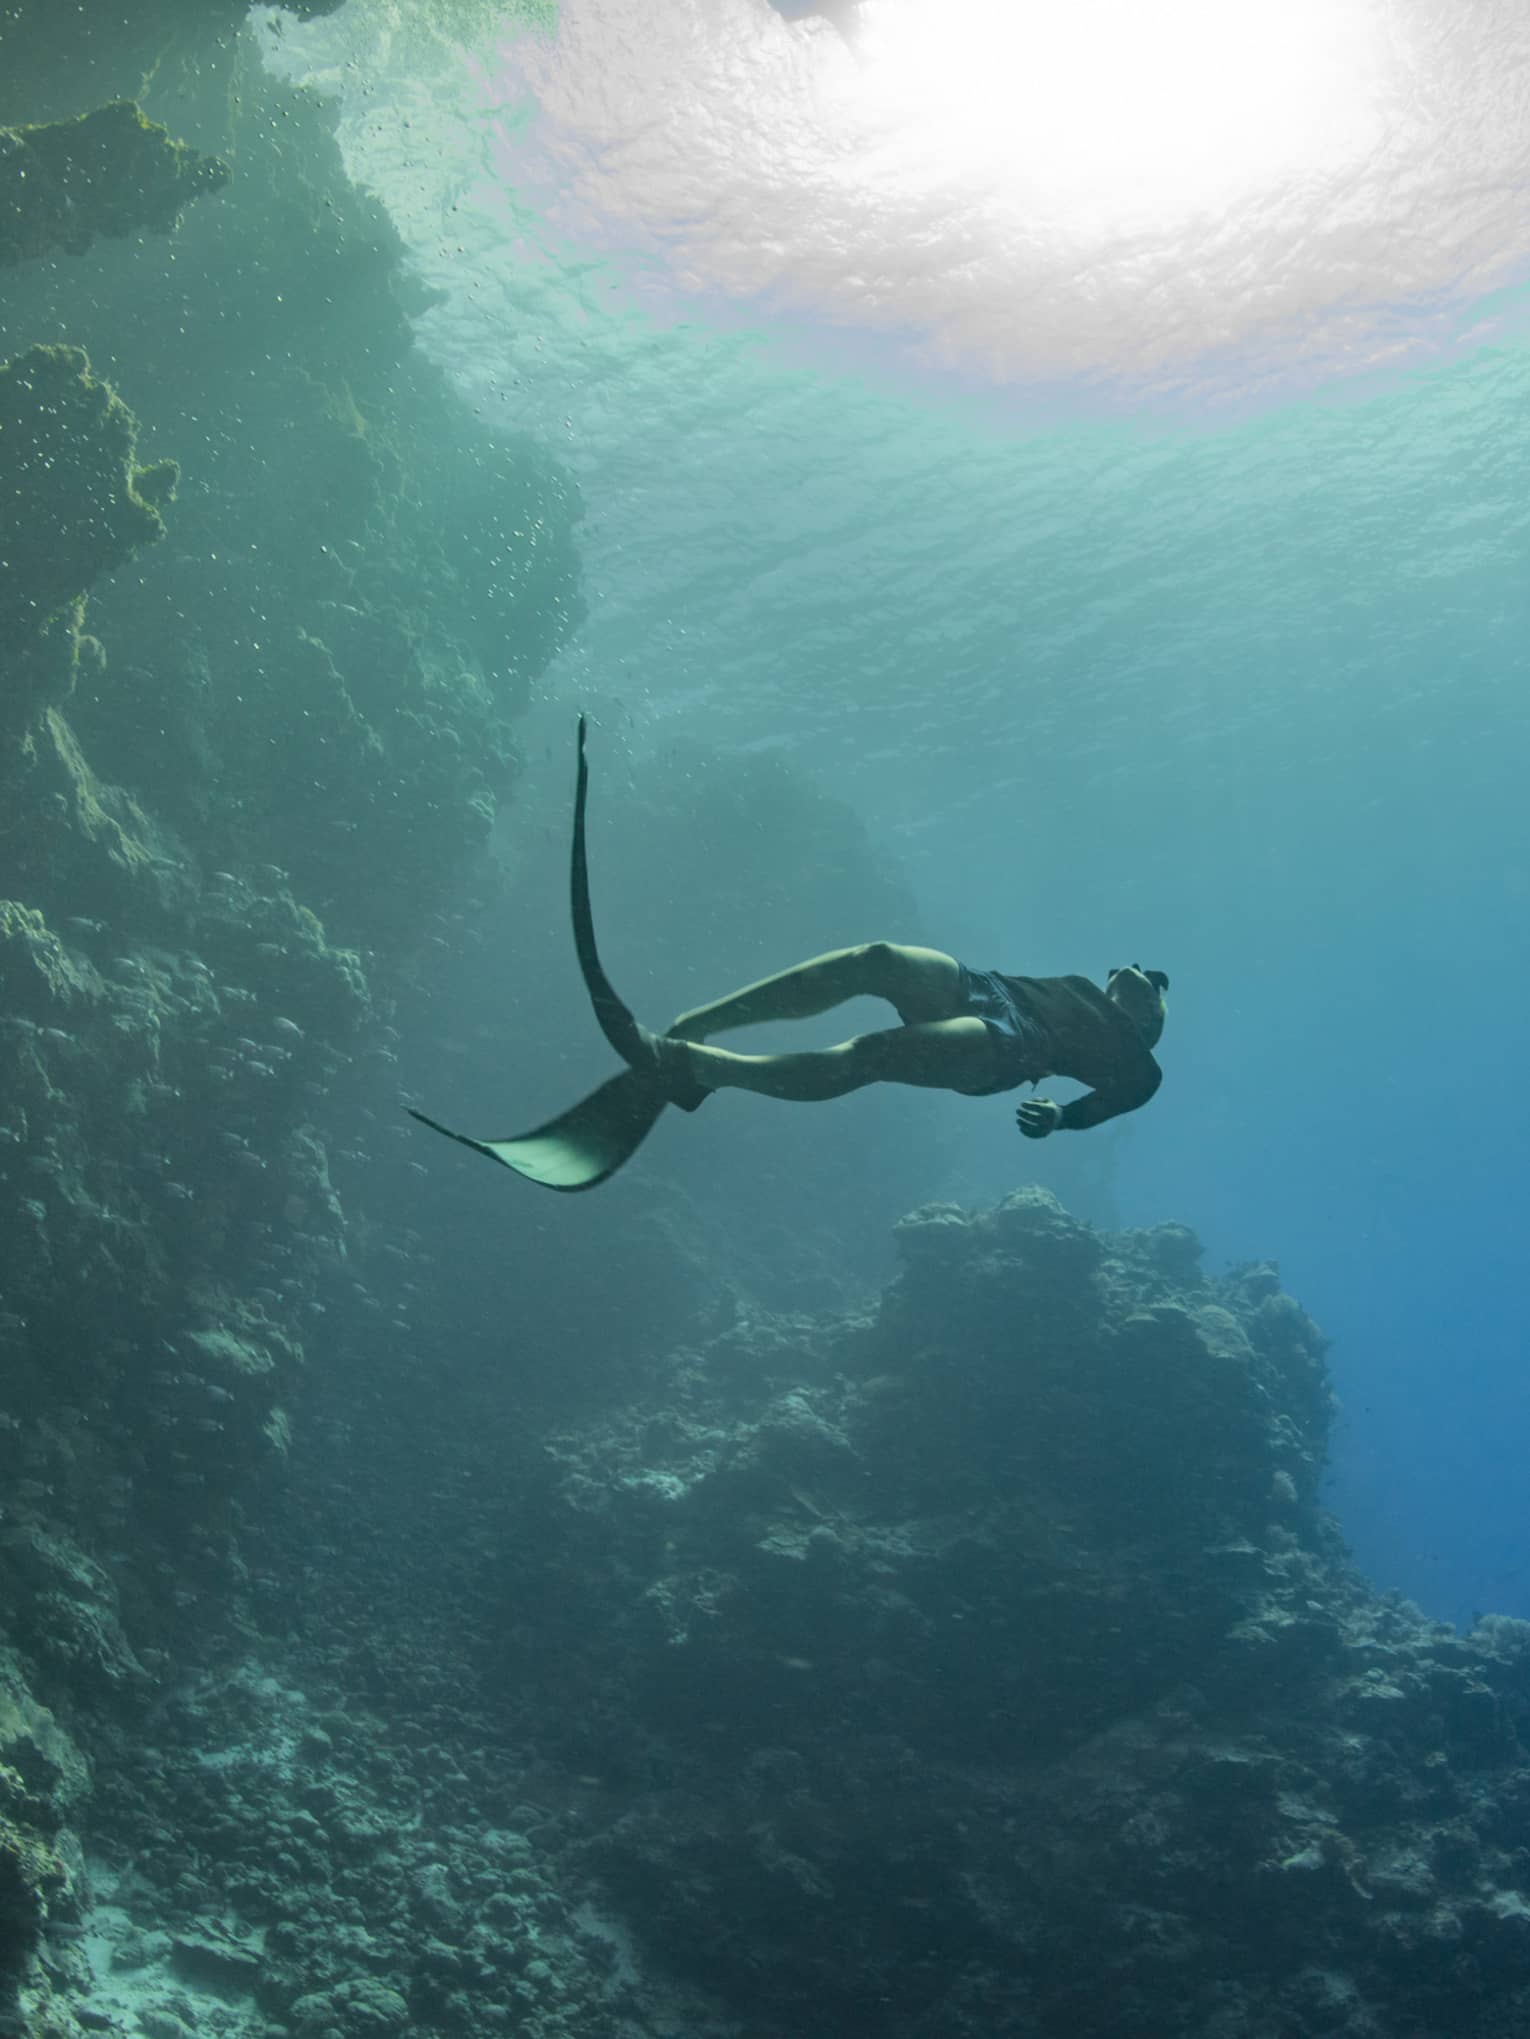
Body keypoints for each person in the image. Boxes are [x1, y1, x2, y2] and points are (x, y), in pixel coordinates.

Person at [646, 947, 1167, 1135]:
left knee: (871, 1054)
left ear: (1152, 1023)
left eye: (1156, 983)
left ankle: (706, 1070)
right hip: (990, 986)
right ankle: (695, 1023)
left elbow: (1091, 1112)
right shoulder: (1087, 989)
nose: (1141, 972)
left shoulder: (1142, 1071)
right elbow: (1123, 975)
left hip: (1017, 1046)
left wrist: (1057, 1117)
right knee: (875, 960)